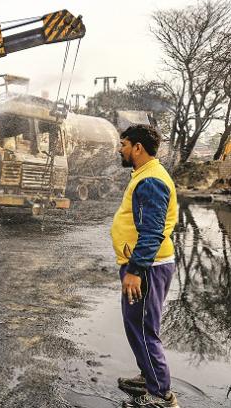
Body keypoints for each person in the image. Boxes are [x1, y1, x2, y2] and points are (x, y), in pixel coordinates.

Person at [111, 125, 179, 408]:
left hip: (147, 268)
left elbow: (152, 232)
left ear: (138, 148)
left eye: (124, 143)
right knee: (136, 324)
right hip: (145, 265)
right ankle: (147, 376)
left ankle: (163, 396)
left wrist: (135, 271)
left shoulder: (150, 180)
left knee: (142, 329)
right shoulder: (145, 175)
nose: (120, 149)